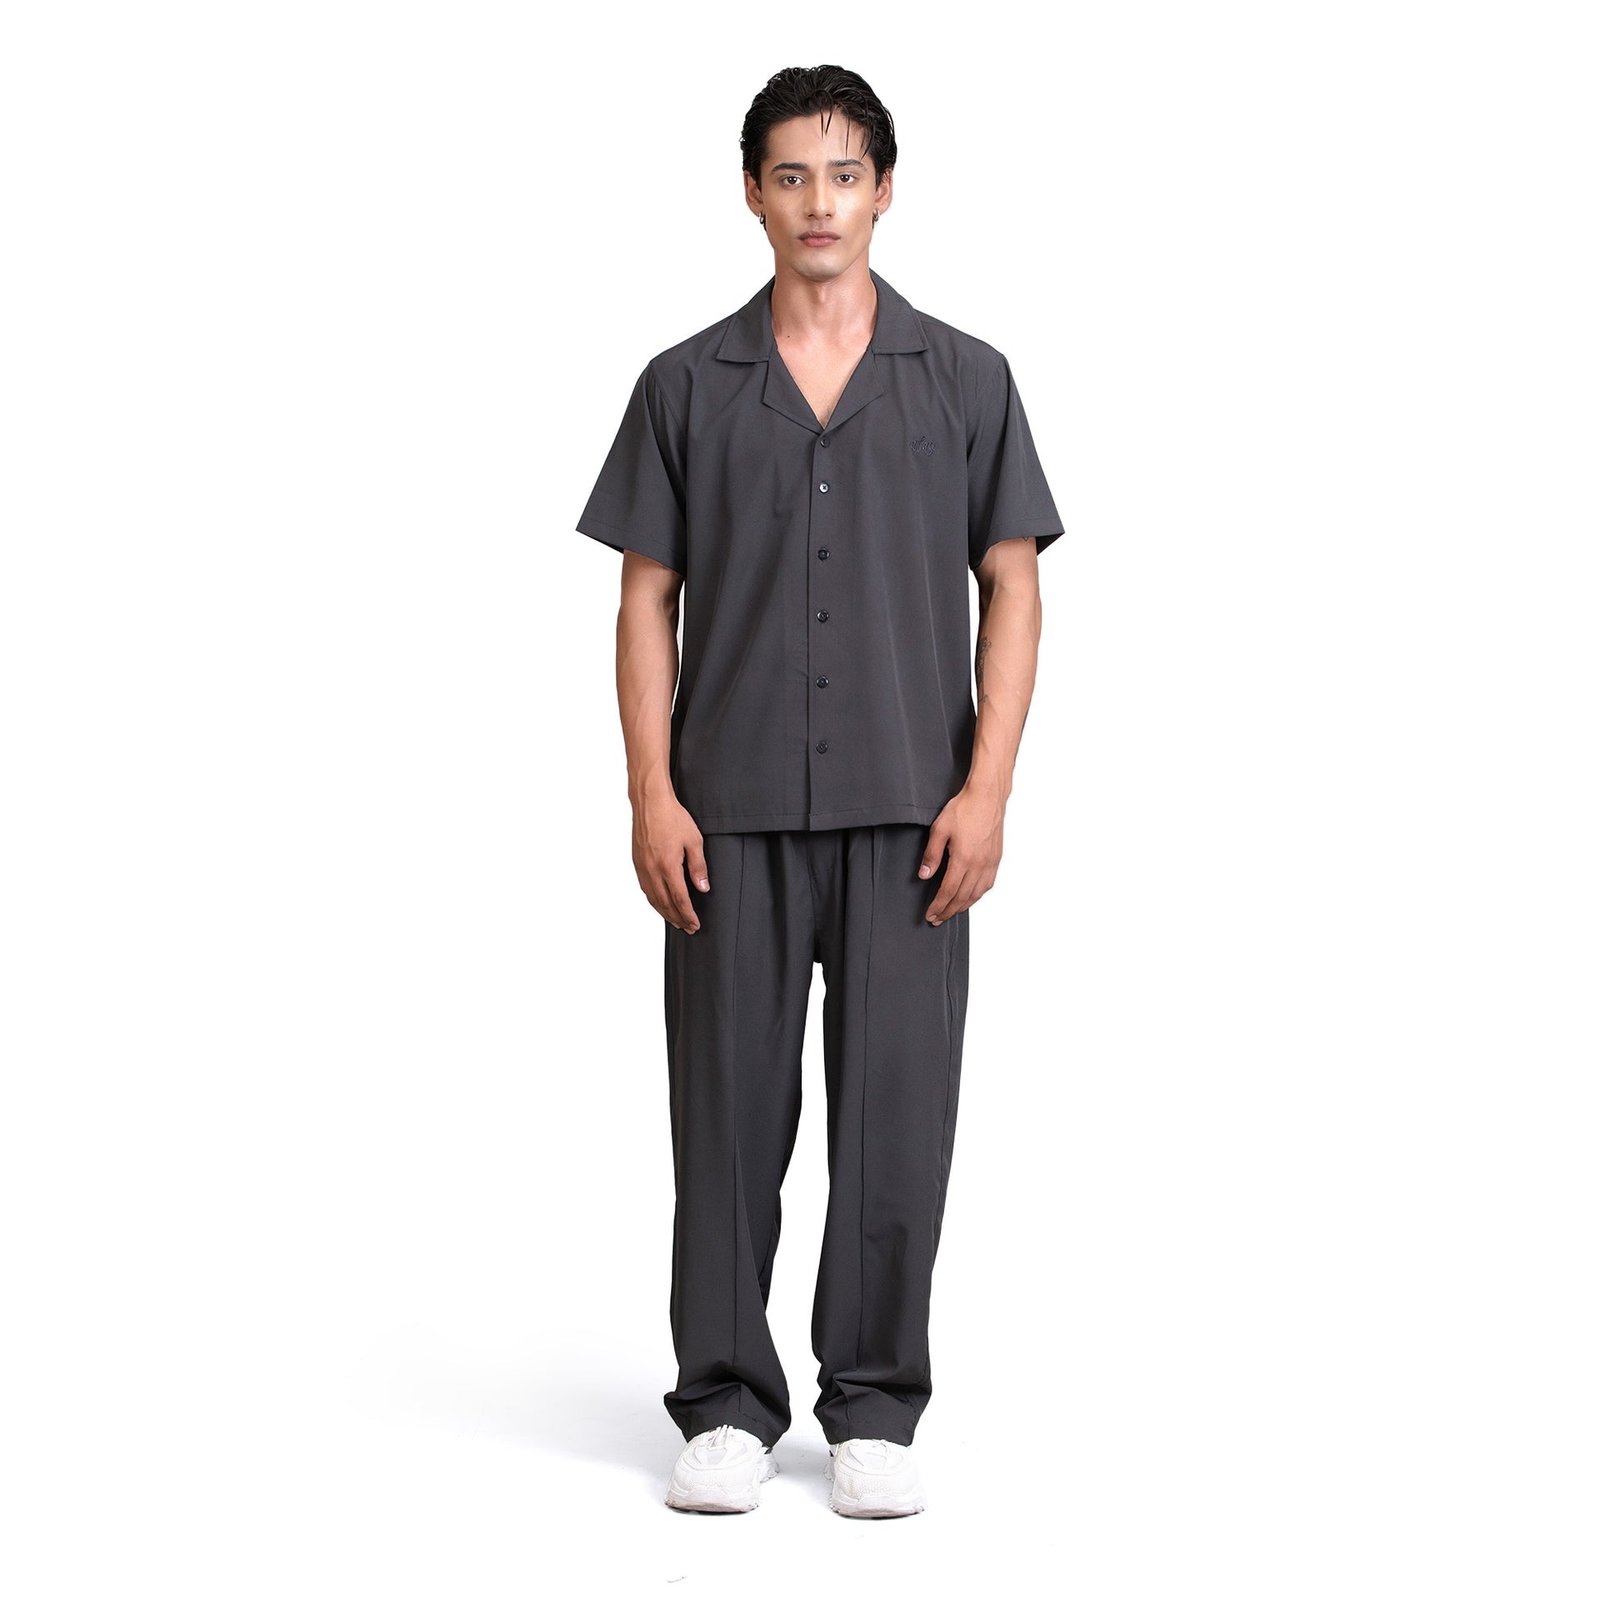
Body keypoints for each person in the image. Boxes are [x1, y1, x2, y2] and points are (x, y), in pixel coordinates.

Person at [575, 65, 1064, 1517]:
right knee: (726, 1118)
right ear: (751, 192)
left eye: (845, 175)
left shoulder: (966, 380)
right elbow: (644, 601)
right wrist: (650, 792)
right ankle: (727, 1401)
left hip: (915, 809)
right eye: (791, 175)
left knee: (897, 1117)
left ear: (886, 190)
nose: (819, 203)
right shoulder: (684, 385)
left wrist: (989, 791)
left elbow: (1014, 587)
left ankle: (875, 1408)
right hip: (725, 811)